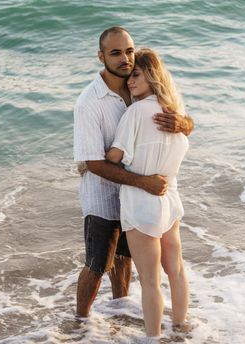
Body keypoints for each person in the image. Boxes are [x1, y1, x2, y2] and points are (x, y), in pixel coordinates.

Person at [73, 27, 194, 318]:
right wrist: (144, 183)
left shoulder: (139, 84)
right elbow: (93, 163)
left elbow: (181, 122)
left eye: (129, 50)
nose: (125, 59)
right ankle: (80, 322)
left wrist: (183, 124)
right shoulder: (89, 103)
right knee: (98, 263)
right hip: (103, 193)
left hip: (136, 200)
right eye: (115, 53)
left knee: (125, 258)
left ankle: (120, 310)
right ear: (101, 56)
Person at [106, 48, 190, 337]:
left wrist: (92, 155)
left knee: (150, 281)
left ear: (152, 75)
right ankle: (181, 328)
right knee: (176, 270)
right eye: (129, 77)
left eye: (136, 75)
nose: (130, 82)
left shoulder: (135, 112)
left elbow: (115, 156)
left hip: (142, 205)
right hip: (170, 201)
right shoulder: (175, 114)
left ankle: (153, 340)